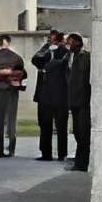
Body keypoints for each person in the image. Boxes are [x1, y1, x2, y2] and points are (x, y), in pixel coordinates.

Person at [0, 35, 29, 157]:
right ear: (9, 42)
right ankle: (12, 148)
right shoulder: (17, 58)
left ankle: (0, 149)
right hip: (12, 90)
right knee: (12, 119)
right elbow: (24, 75)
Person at [32, 30, 70, 160]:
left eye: (53, 38)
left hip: (60, 94)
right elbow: (35, 59)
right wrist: (48, 49)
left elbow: (62, 65)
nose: (51, 40)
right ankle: (46, 153)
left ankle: (62, 153)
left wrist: (58, 48)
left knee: (61, 126)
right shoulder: (46, 50)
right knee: (44, 124)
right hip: (45, 94)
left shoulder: (65, 52)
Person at [64, 33, 92, 172]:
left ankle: (82, 163)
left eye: (70, 42)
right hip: (74, 102)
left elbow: (84, 81)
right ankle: (79, 162)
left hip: (82, 102)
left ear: (78, 43)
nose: (68, 45)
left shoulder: (84, 57)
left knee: (82, 133)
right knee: (77, 132)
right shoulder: (69, 57)